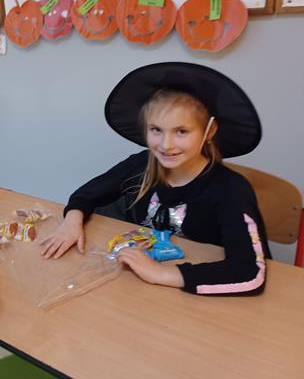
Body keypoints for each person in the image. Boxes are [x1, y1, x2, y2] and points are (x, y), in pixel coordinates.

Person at [41, 62, 271, 296]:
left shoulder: (231, 190)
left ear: (209, 132)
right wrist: (71, 222)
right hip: (134, 289)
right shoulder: (142, 164)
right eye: (156, 130)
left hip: (194, 298)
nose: (165, 145)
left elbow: (250, 272)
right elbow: (86, 195)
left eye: (181, 131)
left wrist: (161, 274)